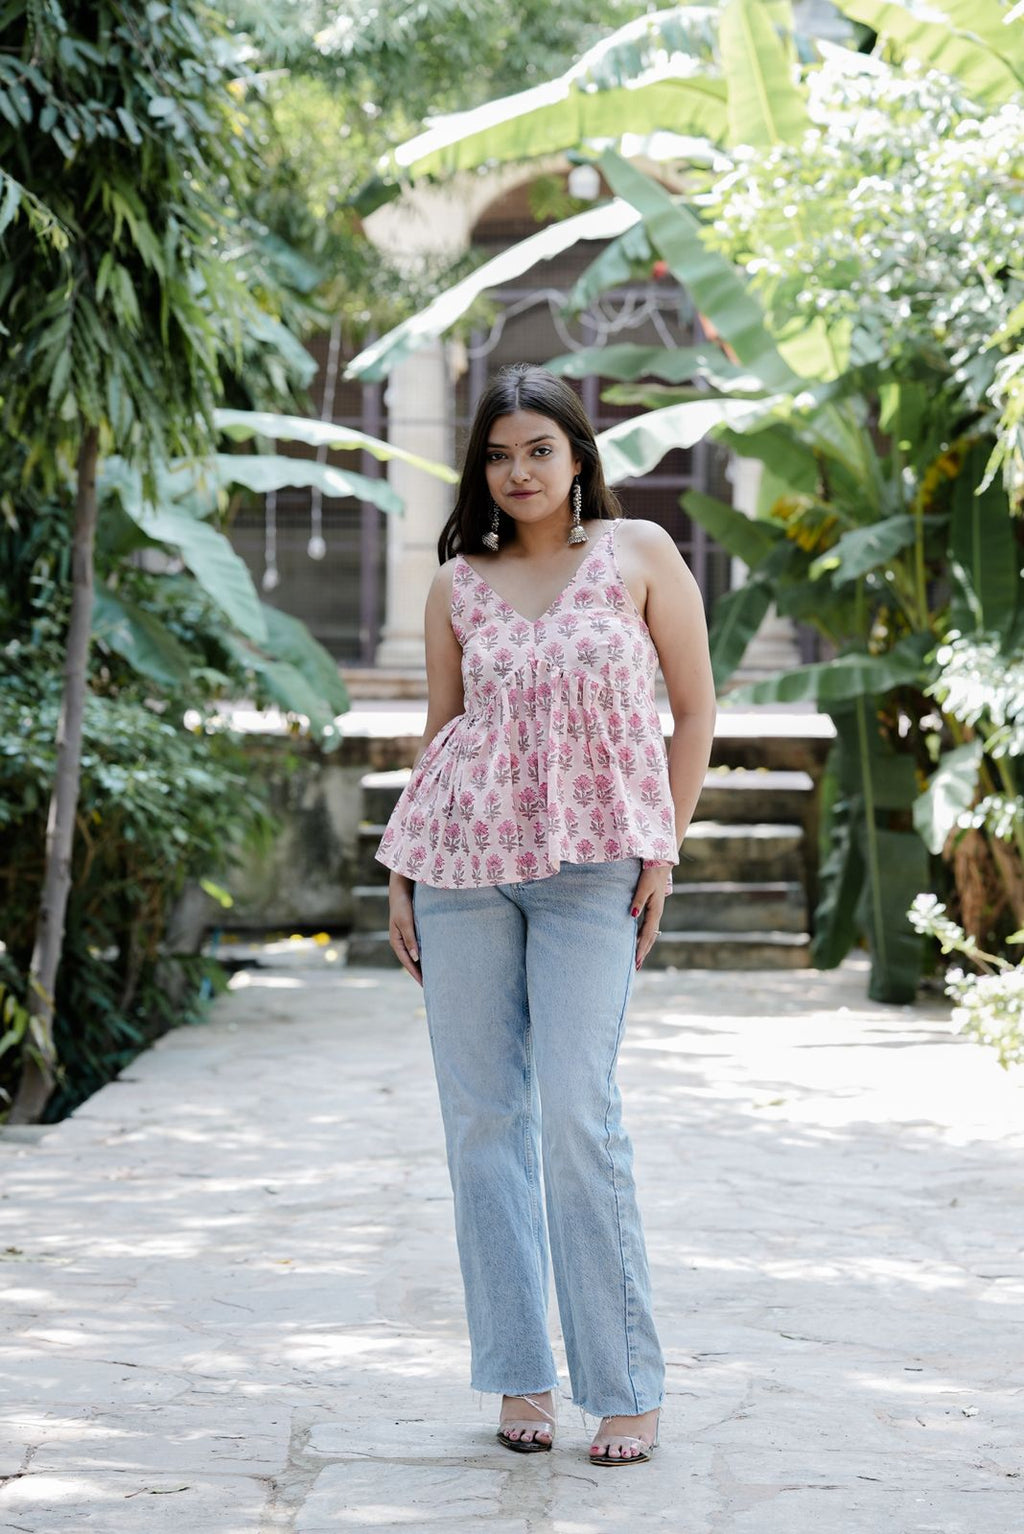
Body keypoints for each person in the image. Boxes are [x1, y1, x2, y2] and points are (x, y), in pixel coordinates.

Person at [377, 363, 716, 1465]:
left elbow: (695, 706)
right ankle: (519, 1375)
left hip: (594, 870)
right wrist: (401, 868)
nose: (517, 471)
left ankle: (623, 1386)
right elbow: (443, 728)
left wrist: (662, 841)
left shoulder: (640, 556)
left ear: (578, 457)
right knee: (483, 1123)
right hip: (461, 865)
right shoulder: (454, 583)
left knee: (578, 1110)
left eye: (538, 450)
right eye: (497, 454)